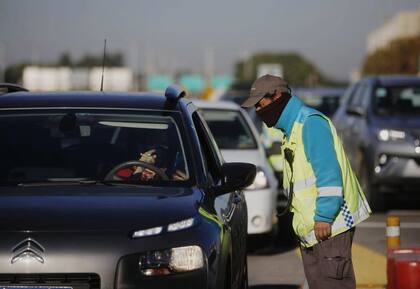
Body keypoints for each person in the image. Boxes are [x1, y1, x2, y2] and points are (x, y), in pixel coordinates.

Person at [241, 74, 371, 289]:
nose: (258, 111)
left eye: (260, 105)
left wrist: (324, 216)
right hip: (313, 232)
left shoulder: (310, 124)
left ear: (278, 97)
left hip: (329, 228)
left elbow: (328, 174)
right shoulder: (292, 128)